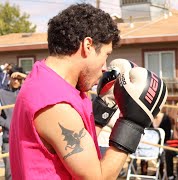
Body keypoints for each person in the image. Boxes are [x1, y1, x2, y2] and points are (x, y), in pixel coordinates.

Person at [9, 4, 167, 179]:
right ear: (88, 45)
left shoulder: (49, 83)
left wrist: (103, 110)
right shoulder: (55, 104)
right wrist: (133, 123)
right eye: (106, 55)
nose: (105, 67)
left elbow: (81, 150)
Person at [0, 66, 26, 180]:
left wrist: (26, 77)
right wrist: (8, 124)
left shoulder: (26, 92)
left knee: (25, 171)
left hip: (25, 139)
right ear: (9, 78)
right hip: (8, 139)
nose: (16, 81)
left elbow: (42, 85)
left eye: (19, 79)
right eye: (14, 78)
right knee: (10, 173)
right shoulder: (1, 93)